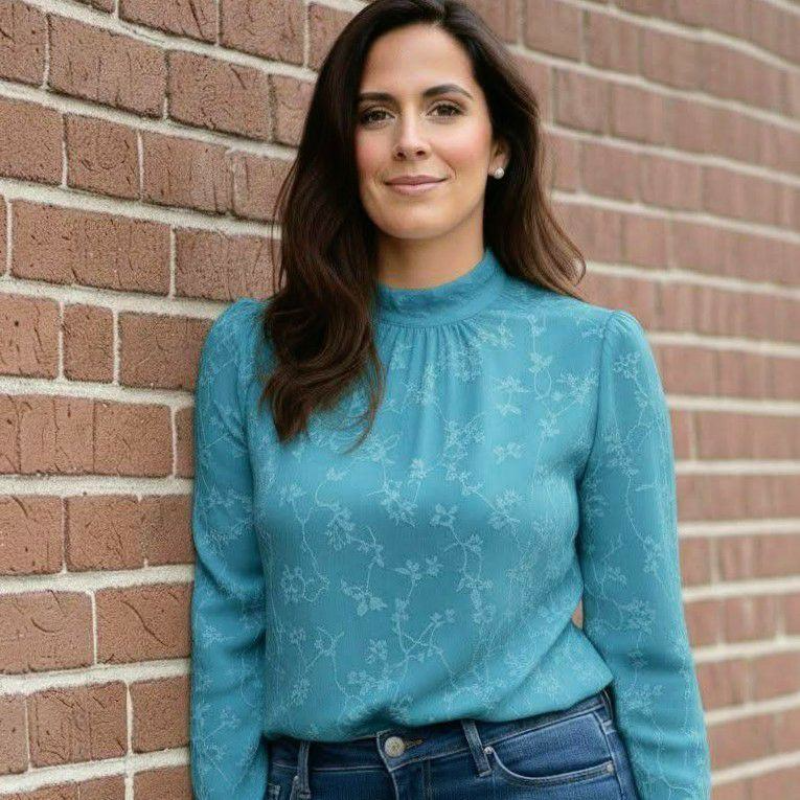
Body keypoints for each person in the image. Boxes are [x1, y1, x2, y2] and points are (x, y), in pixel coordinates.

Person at [188, 1, 712, 798]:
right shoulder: (251, 353)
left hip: (543, 774)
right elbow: (230, 620)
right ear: (345, 145)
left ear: (499, 146)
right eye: (376, 113)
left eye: (444, 108)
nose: (409, 139)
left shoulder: (592, 354)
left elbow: (646, 640)